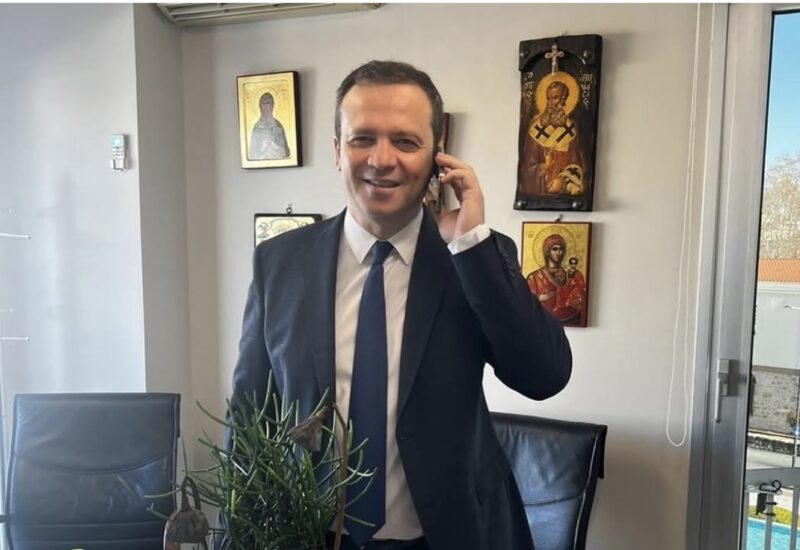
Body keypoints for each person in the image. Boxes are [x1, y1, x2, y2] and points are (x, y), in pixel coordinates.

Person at [228, 60, 572, 550]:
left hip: (449, 536)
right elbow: (249, 417)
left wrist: (471, 244)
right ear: (337, 150)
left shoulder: (471, 260)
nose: (381, 159)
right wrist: (238, 532)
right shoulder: (279, 262)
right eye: (362, 139)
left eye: (406, 142)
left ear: (437, 156)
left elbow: (544, 377)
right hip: (310, 535)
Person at [518, 79, 584, 196]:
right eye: (548, 98)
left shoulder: (570, 130)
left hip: (563, 195)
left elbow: (577, 166)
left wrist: (563, 181)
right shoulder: (535, 130)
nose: (550, 103)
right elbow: (527, 169)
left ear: (563, 100)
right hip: (539, 195)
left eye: (555, 98)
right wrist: (545, 167)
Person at [527, 234, 586, 325]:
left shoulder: (571, 275)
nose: (559, 252)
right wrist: (540, 298)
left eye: (561, 249)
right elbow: (526, 303)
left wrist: (577, 299)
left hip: (570, 320)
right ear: (547, 251)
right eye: (555, 249)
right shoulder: (534, 277)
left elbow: (579, 298)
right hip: (542, 322)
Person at [249, 92, 290, 160]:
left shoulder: (278, 126)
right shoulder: (257, 128)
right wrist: (263, 146)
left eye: (268, 103)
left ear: (272, 106)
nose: (266, 106)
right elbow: (252, 154)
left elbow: (286, 152)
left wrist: (273, 143)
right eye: (263, 103)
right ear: (260, 107)